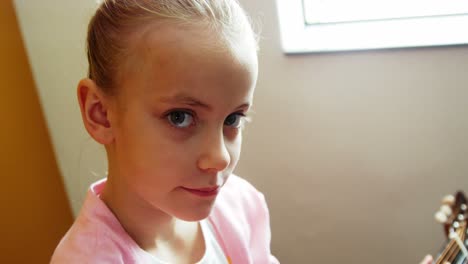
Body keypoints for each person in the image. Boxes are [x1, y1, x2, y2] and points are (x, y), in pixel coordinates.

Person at [51, 0, 278, 263]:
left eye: (233, 119)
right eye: (180, 117)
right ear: (100, 113)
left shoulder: (240, 205)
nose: (220, 158)